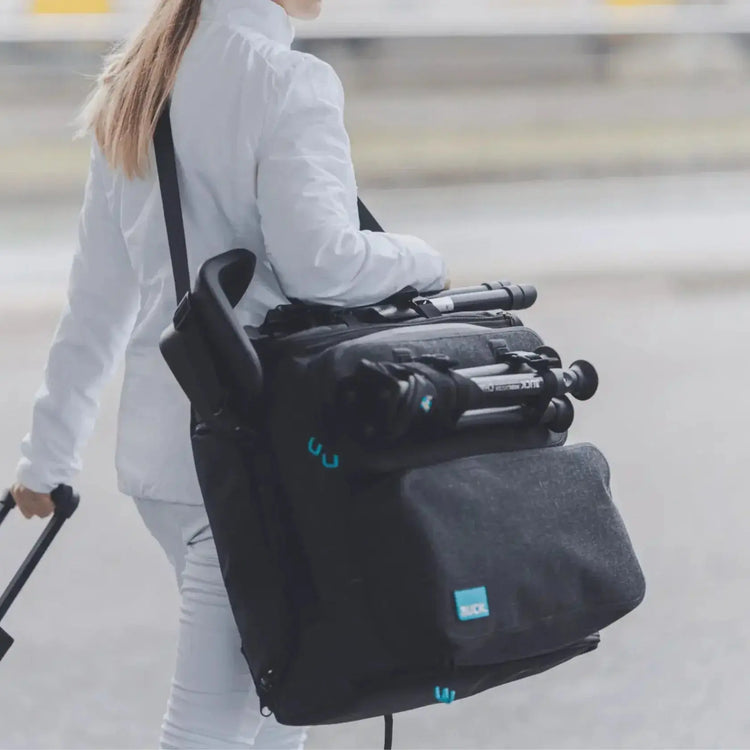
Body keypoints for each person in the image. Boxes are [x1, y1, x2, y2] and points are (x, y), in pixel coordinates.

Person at [9, 0, 449, 747]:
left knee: (281, 707)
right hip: (256, 461)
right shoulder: (286, 80)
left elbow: (96, 302)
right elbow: (322, 263)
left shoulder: (139, 80)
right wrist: (424, 258)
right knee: (213, 728)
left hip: (166, 460)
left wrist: (46, 459)